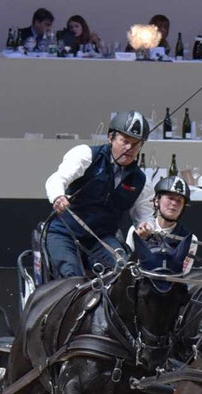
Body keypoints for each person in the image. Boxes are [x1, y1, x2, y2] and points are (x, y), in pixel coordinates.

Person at [44, 111, 155, 279]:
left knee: (124, 273)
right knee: (70, 277)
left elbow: (145, 215)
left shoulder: (141, 181)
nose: (129, 148)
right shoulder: (86, 155)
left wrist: (146, 227)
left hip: (101, 239)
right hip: (65, 233)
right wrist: (58, 196)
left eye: (136, 144)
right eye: (125, 141)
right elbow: (56, 179)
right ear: (111, 137)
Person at [126, 176, 196, 272]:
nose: (174, 203)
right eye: (170, 198)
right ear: (156, 201)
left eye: (179, 200)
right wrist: (140, 240)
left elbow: (183, 272)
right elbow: (128, 266)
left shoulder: (190, 239)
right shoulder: (137, 229)